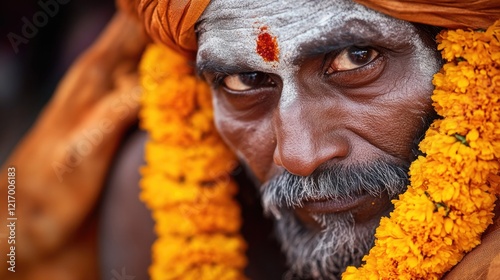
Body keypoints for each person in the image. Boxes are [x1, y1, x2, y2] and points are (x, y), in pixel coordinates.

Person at [1, 0, 499, 279]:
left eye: (355, 58)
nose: (299, 156)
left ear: (473, 56)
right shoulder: (159, 194)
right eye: (243, 82)